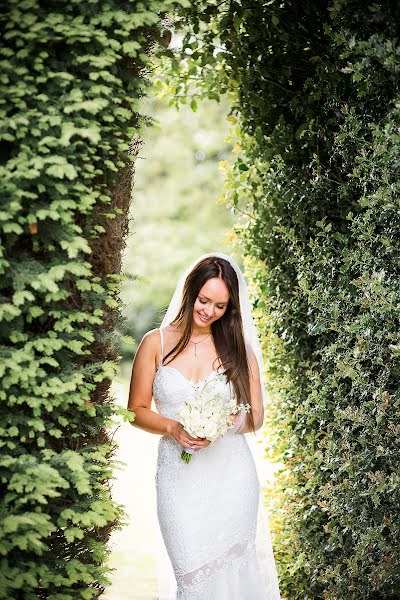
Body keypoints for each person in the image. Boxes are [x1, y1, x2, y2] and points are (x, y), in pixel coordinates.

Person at [128, 252, 281, 599]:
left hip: (232, 479)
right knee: (192, 576)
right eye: (204, 300)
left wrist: (224, 423)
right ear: (190, 291)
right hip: (178, 481)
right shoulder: (156, 343)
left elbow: (256, 417)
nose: (209, 311)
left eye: (221, 306)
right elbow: (135, 410)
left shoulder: (238, 350)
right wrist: (173, 428)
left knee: (235, 579)